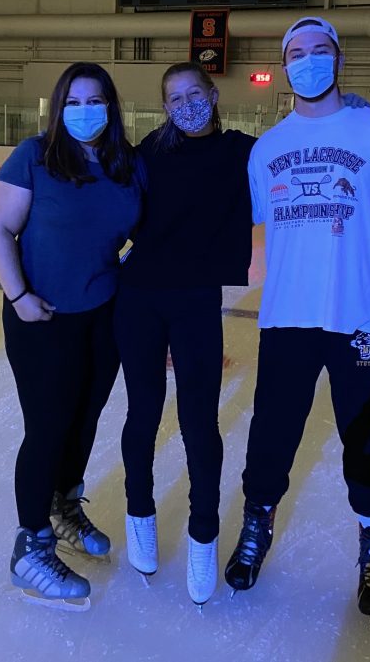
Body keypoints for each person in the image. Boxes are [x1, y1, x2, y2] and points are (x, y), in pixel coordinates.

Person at [225, 17, 370, 627]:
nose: (307, 61)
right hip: (288, 320)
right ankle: (256, 523)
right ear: (285, 65)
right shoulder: (267, 148)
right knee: (271, 436)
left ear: (339, 59)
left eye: (318, 50)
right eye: (296, 53)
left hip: (363, 321)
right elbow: (227, 230)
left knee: (369, 442)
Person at [0, 62, 143, 609]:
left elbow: (150, 232)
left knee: (84, 422)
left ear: (111, 106)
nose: (84, 112)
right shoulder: (35, 156)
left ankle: (64, 503)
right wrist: (18, 296)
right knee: (48, 428)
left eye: (94, 100)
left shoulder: (128, 165)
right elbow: (1, 229)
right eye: (73, 102)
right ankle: (30, 548)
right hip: (42, 317)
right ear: (59, 108)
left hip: (102, 316)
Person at [115, 62, 255, 607]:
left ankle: (202, 534)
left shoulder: (240, 150)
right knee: (143, 412)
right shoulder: (152, 149)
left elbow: (300, 147)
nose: (185, 105)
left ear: (214, 95)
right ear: (165, 105)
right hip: (139, 296)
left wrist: (354, 114)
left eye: (194, 93)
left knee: (199, 421)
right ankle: (140, 513)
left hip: (196, 300)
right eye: (174, 98)